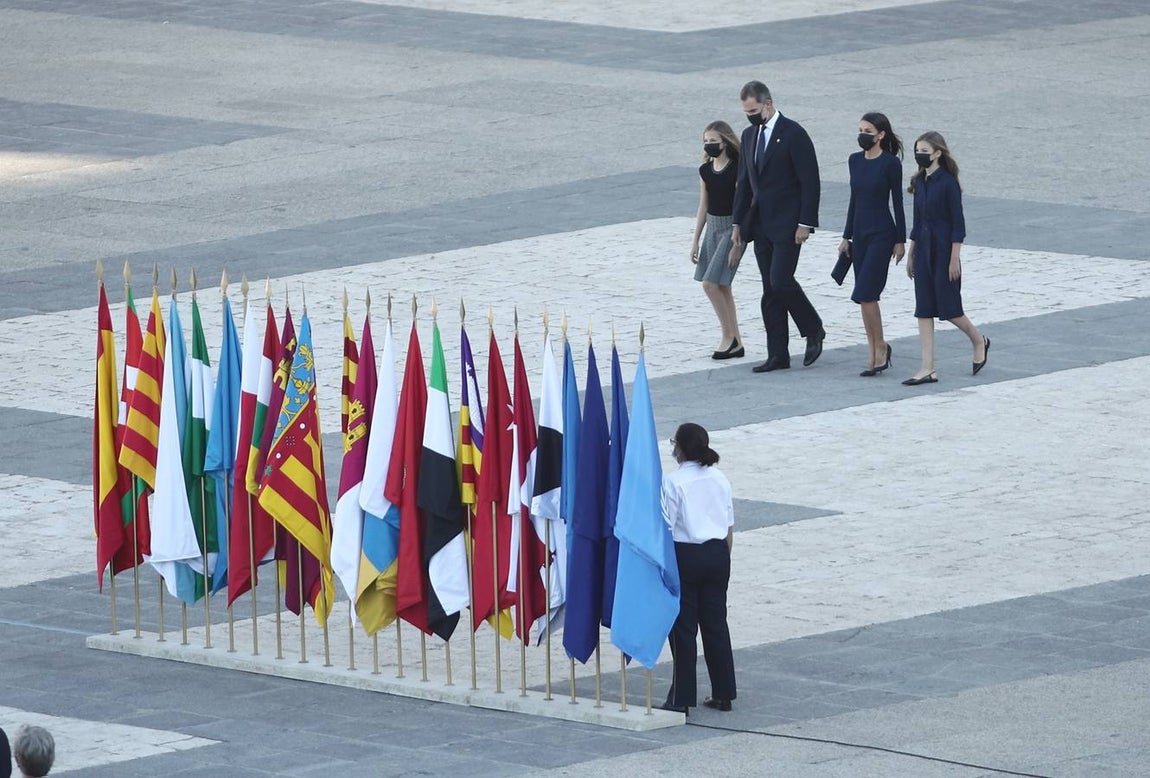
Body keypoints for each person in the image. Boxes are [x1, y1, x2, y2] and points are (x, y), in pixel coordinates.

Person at [730, 80, 825, 373]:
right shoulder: (749, 136)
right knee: (769, 290)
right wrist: (737, 223)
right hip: (760, 224)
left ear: (768, 104)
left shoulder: (794, 134)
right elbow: (744, 183)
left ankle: (813, 328)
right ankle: (778, 354)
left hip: (788, 224)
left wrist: (805, 223)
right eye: (746, 112)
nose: (750, 117)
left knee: (780, 280)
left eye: (754, 111)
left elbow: (810, 181)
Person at [660, 423, 736, 715]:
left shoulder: (673, 482)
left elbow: (667, 528)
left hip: (686, 555)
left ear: (679, 448)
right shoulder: (720, 477)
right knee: (716, 624)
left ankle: (682, 697)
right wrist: (723, 559)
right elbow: (728, 526)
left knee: (684, 628)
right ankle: (724, 693)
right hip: (717, 554)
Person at [902, 131, 989, 385]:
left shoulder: (949, 183)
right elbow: (917, 222)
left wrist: (954, 258)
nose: (920, 155)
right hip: (923, 251)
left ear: (938, 153)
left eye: (925, 151)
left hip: (944, 252)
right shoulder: (919, 182)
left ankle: (978, 340)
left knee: (950, 309)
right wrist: (911, 253)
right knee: (923, 309)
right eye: (917, 151)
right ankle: (927, 367)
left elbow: (958, 225)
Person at [838, 112, 906, 376]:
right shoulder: (854, 160)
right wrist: (846, 236)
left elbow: (898, 203)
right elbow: (853, 200)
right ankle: (874, 349)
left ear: (881, 135)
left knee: (866, 292)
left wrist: (900, 240)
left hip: (882, 234)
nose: (863, 135)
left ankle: (880, 347)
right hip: (860, 235)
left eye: (868, 131)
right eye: (860, 130)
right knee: (865, 297)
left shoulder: (890, 164)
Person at [690, 120, 745, 360]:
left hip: (731, 230)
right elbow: (703, 205)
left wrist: (737, 240)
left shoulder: (737, 169)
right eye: (706, 141)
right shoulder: (705, 170)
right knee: (722, 285)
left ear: (725, 141)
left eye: (713, 140)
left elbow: (742, 204)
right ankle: (737, 341)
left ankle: (728, 336)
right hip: (712, 228)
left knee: (709, 284)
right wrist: (695, 240)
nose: (709, 144)